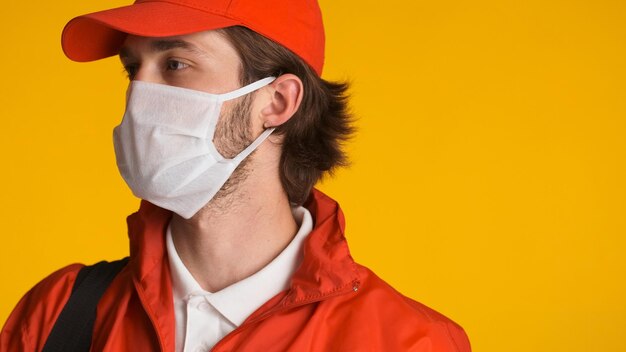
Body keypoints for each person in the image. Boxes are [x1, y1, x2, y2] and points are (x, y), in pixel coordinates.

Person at [0, 0, 471, 351]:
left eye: (176, 64)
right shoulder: (59, 314)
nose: (140, 95)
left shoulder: (407, 341)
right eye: (131, 69)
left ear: (278, 102)